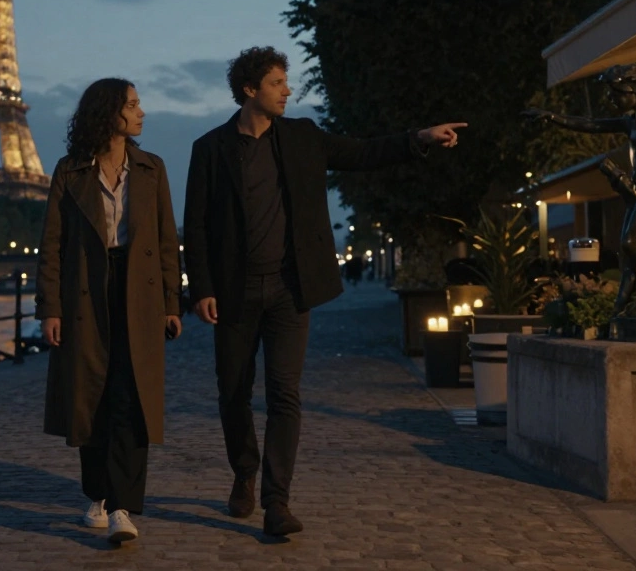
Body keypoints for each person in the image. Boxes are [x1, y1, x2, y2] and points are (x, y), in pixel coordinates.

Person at [183, 46, 466, 536]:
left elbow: (363, 152)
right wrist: (202, 287)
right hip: (234, 292)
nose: (287, 90)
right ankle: (244, 473)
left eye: (285, 82)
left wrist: (418, 138)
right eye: (276, 83)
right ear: (250, 90)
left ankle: (277, 501)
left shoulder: (302, 137)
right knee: (233, 392)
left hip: (291, 290)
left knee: (284, 393)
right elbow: (197, 224)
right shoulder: (210, 149)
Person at [36, 78, 183, 545]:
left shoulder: (151, 168)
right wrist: (50, 308)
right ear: (109, 113)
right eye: (133, 105)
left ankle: (123, 506)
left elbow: (165, 242)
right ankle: (97, 494)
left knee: (130, 395)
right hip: (87, 292)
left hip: (138, 292)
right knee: (91, 395)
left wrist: (170, 304)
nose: (142, 113)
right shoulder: (70, 170)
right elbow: (52, 246)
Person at [523, 63, 636, 316]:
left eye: (616, 93)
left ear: (634, 90)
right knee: (631, 251)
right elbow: (592, 124)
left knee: (631, 241)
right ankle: (620, 311)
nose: (612, 99)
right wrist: (552, 117)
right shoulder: (630, 122)